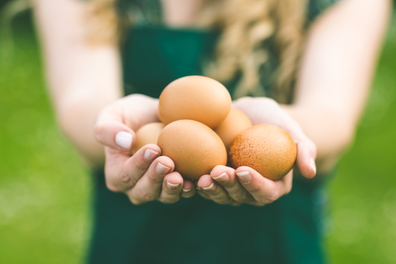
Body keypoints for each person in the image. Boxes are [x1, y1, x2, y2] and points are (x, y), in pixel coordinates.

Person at [33, 0, 390, 263]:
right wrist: (116, 128)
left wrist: (278, 135)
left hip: (272, 243)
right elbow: (81, 100)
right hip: (136, 239)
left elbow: (332, 115)